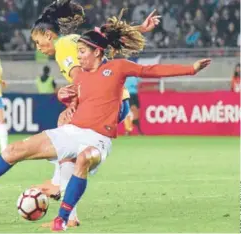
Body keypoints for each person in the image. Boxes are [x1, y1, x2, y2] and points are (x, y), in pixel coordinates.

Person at [0, 9, 211, 232]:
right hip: (72, 130)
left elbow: (152, 70)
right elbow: (102, 38)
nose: (78, 55)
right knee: (13, 150)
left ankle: (62, 220)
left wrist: (191, 69)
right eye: (78, 52)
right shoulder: (80, 74)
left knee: (84, 157)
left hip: (98, 138)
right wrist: (65, 95)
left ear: (97, 53)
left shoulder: (115, 68)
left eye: (83, 52)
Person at [29, 0, 160, 227]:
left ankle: (59, 186)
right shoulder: (75, 41)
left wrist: (73, 106)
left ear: (48, 35)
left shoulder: (62, 50)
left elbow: (82, 79)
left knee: (64, 132)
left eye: (38, 42)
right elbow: (106, 36)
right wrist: (139, 29)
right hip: (118, 102)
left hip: (107, 104)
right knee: (69, 143)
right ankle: (67, 206)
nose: (39, 48)